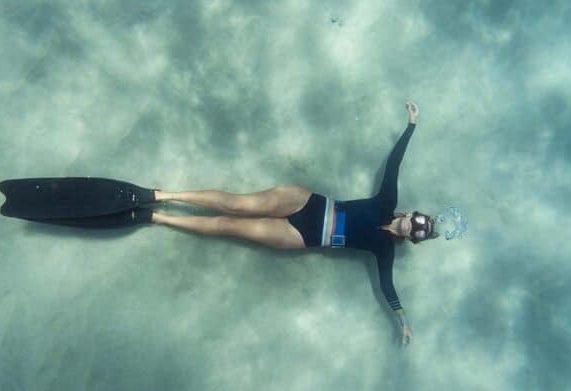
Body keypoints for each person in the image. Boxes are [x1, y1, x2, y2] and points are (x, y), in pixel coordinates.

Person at [150, 101, 437, 346]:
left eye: (419, 233)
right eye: (419, 221)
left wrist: (403, 321)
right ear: (411, 214)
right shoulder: (388, 200)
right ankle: (164, 195)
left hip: (302, 236)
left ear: (413, 239)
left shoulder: (385, 251)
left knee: (228, 225)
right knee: (235, 204)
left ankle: (160, 218)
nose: (415, 227)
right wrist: (411, 125)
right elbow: (394, 165)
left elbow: (388, 286)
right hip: (306, 202)